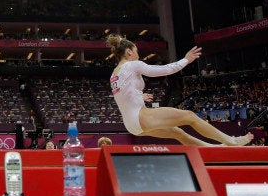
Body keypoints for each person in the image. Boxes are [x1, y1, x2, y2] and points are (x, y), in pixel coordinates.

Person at [106, 34, 254, 147]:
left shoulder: (114, 74)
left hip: (131, 125)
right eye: (136, 51)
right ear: (129, 52)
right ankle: (232, 142)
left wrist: (140, 95)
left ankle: (213, 148)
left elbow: (123, 96)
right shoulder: (133, 65)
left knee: (177, 132)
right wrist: (186, 60)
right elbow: (164, 70)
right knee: (189, 116)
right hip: (141, 116)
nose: (138, 55)